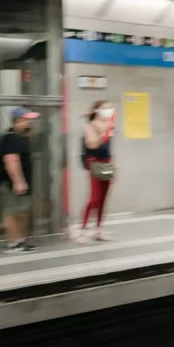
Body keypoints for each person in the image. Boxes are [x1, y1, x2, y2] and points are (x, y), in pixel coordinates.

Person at [0, 107, 38, 252]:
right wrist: (18, 181)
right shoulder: (12, 138)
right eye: (27, 120)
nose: (30, 123)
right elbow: (11, 160)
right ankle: (13, 243)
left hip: (17, 183)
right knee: (12, 211)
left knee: (22, 211)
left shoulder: (20, 138)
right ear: (18, 121)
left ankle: (20, 240)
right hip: (9, 183)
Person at [79, 100, 115, 242]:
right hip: (95, 163)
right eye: (105, 108)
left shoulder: (109, 125)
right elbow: (93, 145)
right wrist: (104, 132)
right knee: (94, 198)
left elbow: (108, 148)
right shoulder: (89, 126)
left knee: (103, 199)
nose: (108, 111)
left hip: (107, 163)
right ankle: (83, 230)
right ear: (97, 110)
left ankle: (99, 229)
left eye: (110, 108)